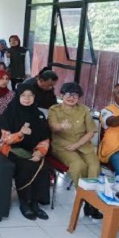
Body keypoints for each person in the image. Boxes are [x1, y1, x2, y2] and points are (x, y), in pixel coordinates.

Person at [0, 84, 51, 220]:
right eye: (23, 95)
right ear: (18, 97)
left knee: (44, 166)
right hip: (10, 150)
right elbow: (5, 139)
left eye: (30, 95)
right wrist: (20, 134)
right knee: (26, 166)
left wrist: (39, 152)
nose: (27, 98)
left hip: (31, 150)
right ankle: (25, 203)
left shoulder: (39, 115)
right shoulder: (9, 114)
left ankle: (36, 203)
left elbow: (45, 138)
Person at [48, 82, 101, 218]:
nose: (72, 98)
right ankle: (86, 200)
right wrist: (60, 126)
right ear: (62, 95)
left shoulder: (83, 110)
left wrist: (78, 145)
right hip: (63, 146)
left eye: (75, 96)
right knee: (78, 165)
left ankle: (92, 202)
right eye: (69, 95)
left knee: (94, 167)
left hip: (83, 145)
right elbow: (52, 127)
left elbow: (91, 131)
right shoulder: (54, 109)